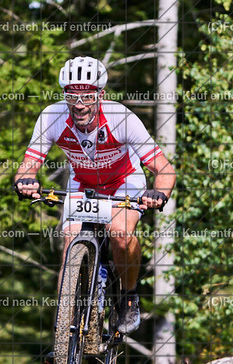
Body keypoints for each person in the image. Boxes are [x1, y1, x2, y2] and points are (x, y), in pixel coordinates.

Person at [14, 56, 176, 334]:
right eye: (71, 96)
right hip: (83, 184)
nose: (79, 105)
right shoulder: (52, 116)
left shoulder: (121, 118)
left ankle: (128, 296)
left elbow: (164, 169)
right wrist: (25, 180)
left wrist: (159, 192)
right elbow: (29, 164)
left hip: (124, 182)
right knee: (70, 242)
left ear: (101, 94)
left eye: (87, 96)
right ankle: (65, 331)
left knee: (120, 233)